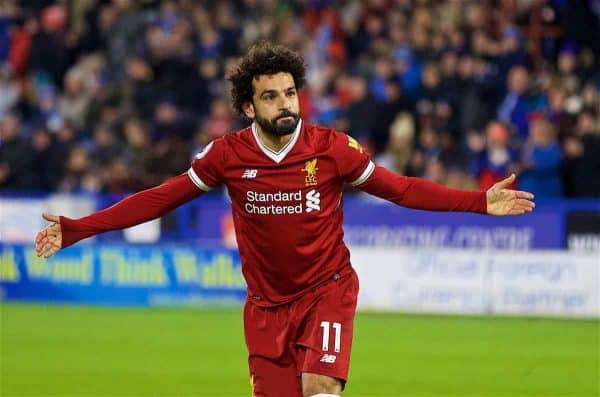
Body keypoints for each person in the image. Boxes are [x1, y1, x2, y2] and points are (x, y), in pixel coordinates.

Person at [35, 43, 535, 397]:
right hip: (265, 309)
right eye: (271, 96)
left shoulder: (332, 149)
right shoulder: (226, 156)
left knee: (319, 389)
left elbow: (400, 189)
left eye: (290, 93)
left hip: (327, 291)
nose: (285, 104)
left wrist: (478, 202)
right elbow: (161, 198)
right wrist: (81, 228)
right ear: (248, 105)